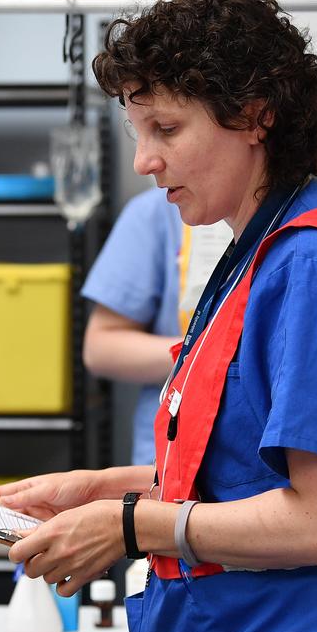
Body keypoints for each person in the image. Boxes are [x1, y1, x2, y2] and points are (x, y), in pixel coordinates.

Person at [0, 0, 317, 632]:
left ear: (256, 116)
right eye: (137, 131)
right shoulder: (253, 256)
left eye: (166, 128)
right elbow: (240, 473)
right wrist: (99, 489)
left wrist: (132, 524)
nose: (143, 160)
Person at [83, 188, 233, 466]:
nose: (145, 163)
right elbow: (100, 347)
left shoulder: (312, 227)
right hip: (174, 451)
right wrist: (212, 355)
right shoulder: (157, 213)